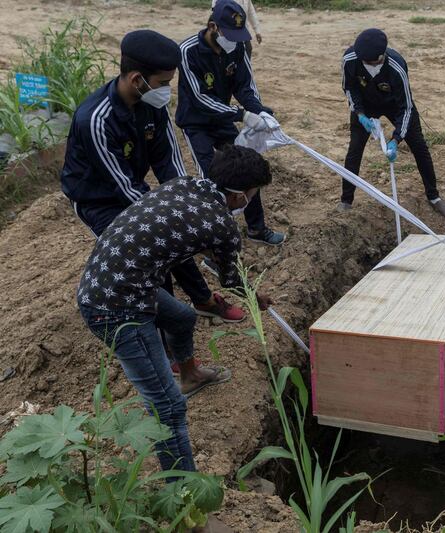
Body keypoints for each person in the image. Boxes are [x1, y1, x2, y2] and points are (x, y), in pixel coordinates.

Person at [78, 146, 272, 504]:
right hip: (115, 308)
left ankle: (190, 375)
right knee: (167, 408)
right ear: (241, 195)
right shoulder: (222, 226)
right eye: (255, 193)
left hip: (106, 280)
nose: (253, 200)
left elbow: (176, 246)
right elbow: (233, 280)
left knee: (182, 318)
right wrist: (257, 298)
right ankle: (186, 504)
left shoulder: (184, 186)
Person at [61, 29, 244, 325]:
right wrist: (169, 217)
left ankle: (203, 299)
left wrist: (189, 206)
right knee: (150, 258)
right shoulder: (95, 120)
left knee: (175, 237)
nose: (167, 91)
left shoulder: (151, 104)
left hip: (131, 185)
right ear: (137, 79)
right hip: (99, 199)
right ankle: (165, 337)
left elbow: (168, 158)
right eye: (163, 83)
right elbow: (121, 184)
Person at [176, 0, 285, 263]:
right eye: (228, 34)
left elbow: (245, 84)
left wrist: (259, 112)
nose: (232, 40)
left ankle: (257, 228)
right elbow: (200, 98)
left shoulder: (236, 46)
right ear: (213, 26)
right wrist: (242, 115)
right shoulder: (187, 51)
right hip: (197, 122)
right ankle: (214, 247)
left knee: (249, 166)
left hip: (223, 118)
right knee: (213, 178)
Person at [339, 28, 445, 219]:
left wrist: (397, 138)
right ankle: (346, 200)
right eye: (362, 60)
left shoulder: (396, 67)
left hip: (395, 105)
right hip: (365, 107)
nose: (364, 63)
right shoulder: (351, 59)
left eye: (369, 61)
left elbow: (406, 107)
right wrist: (359, 113)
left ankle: (434, 197)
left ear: (380, 57)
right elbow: (349, 87)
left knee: (419, 146)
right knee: (354, 149)